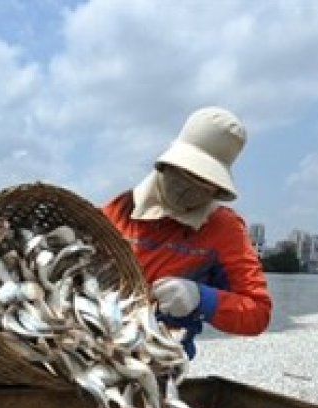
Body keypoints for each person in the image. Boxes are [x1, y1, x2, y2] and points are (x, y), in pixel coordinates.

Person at [102, 106, 272, 359]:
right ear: (165, 166)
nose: (186, 192)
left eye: (203, 185)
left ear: (216, 189)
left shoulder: (223, 230)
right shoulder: (119, 210)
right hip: (91, 346)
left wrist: (202, 299)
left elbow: (257, 313)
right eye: (183, 176)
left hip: (160, 360)